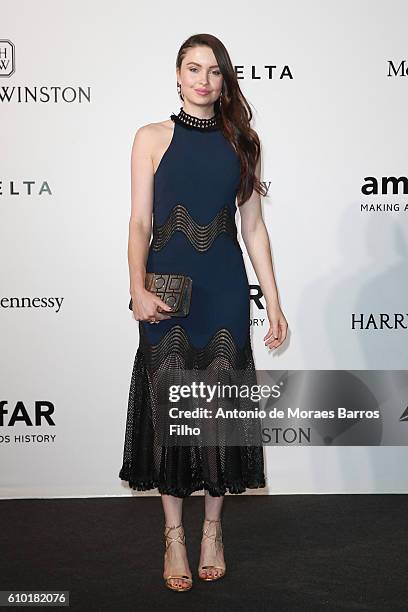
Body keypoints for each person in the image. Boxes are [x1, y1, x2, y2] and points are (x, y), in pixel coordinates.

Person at [119, 33, 288, 592]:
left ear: (224, 80)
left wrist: (275, 302)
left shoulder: (243, 142)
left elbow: (254, 229)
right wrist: (136, 287)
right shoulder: (150, 137)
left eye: (214, 71)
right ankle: (174, 536)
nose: (203, 79)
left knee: (216, 414)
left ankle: (212, 530)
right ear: (177, 74)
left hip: (222, 291)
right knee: (171, 412)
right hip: (167, 292)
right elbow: (139, 223)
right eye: (194, 68)